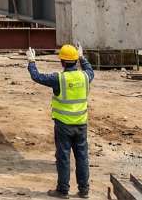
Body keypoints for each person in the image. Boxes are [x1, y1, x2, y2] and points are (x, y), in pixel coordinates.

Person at [27, 43, 94, 199]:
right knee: (82, 157)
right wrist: (82, 57)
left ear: (62, 62)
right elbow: (89, 69)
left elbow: (37, 77)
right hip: (81, 124)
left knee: (63, 158)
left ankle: (63, 190)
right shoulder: (85, 76)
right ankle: (84, 190)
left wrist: (31, 62)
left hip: (64, 126)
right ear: (75, 61)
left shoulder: (59, 79)